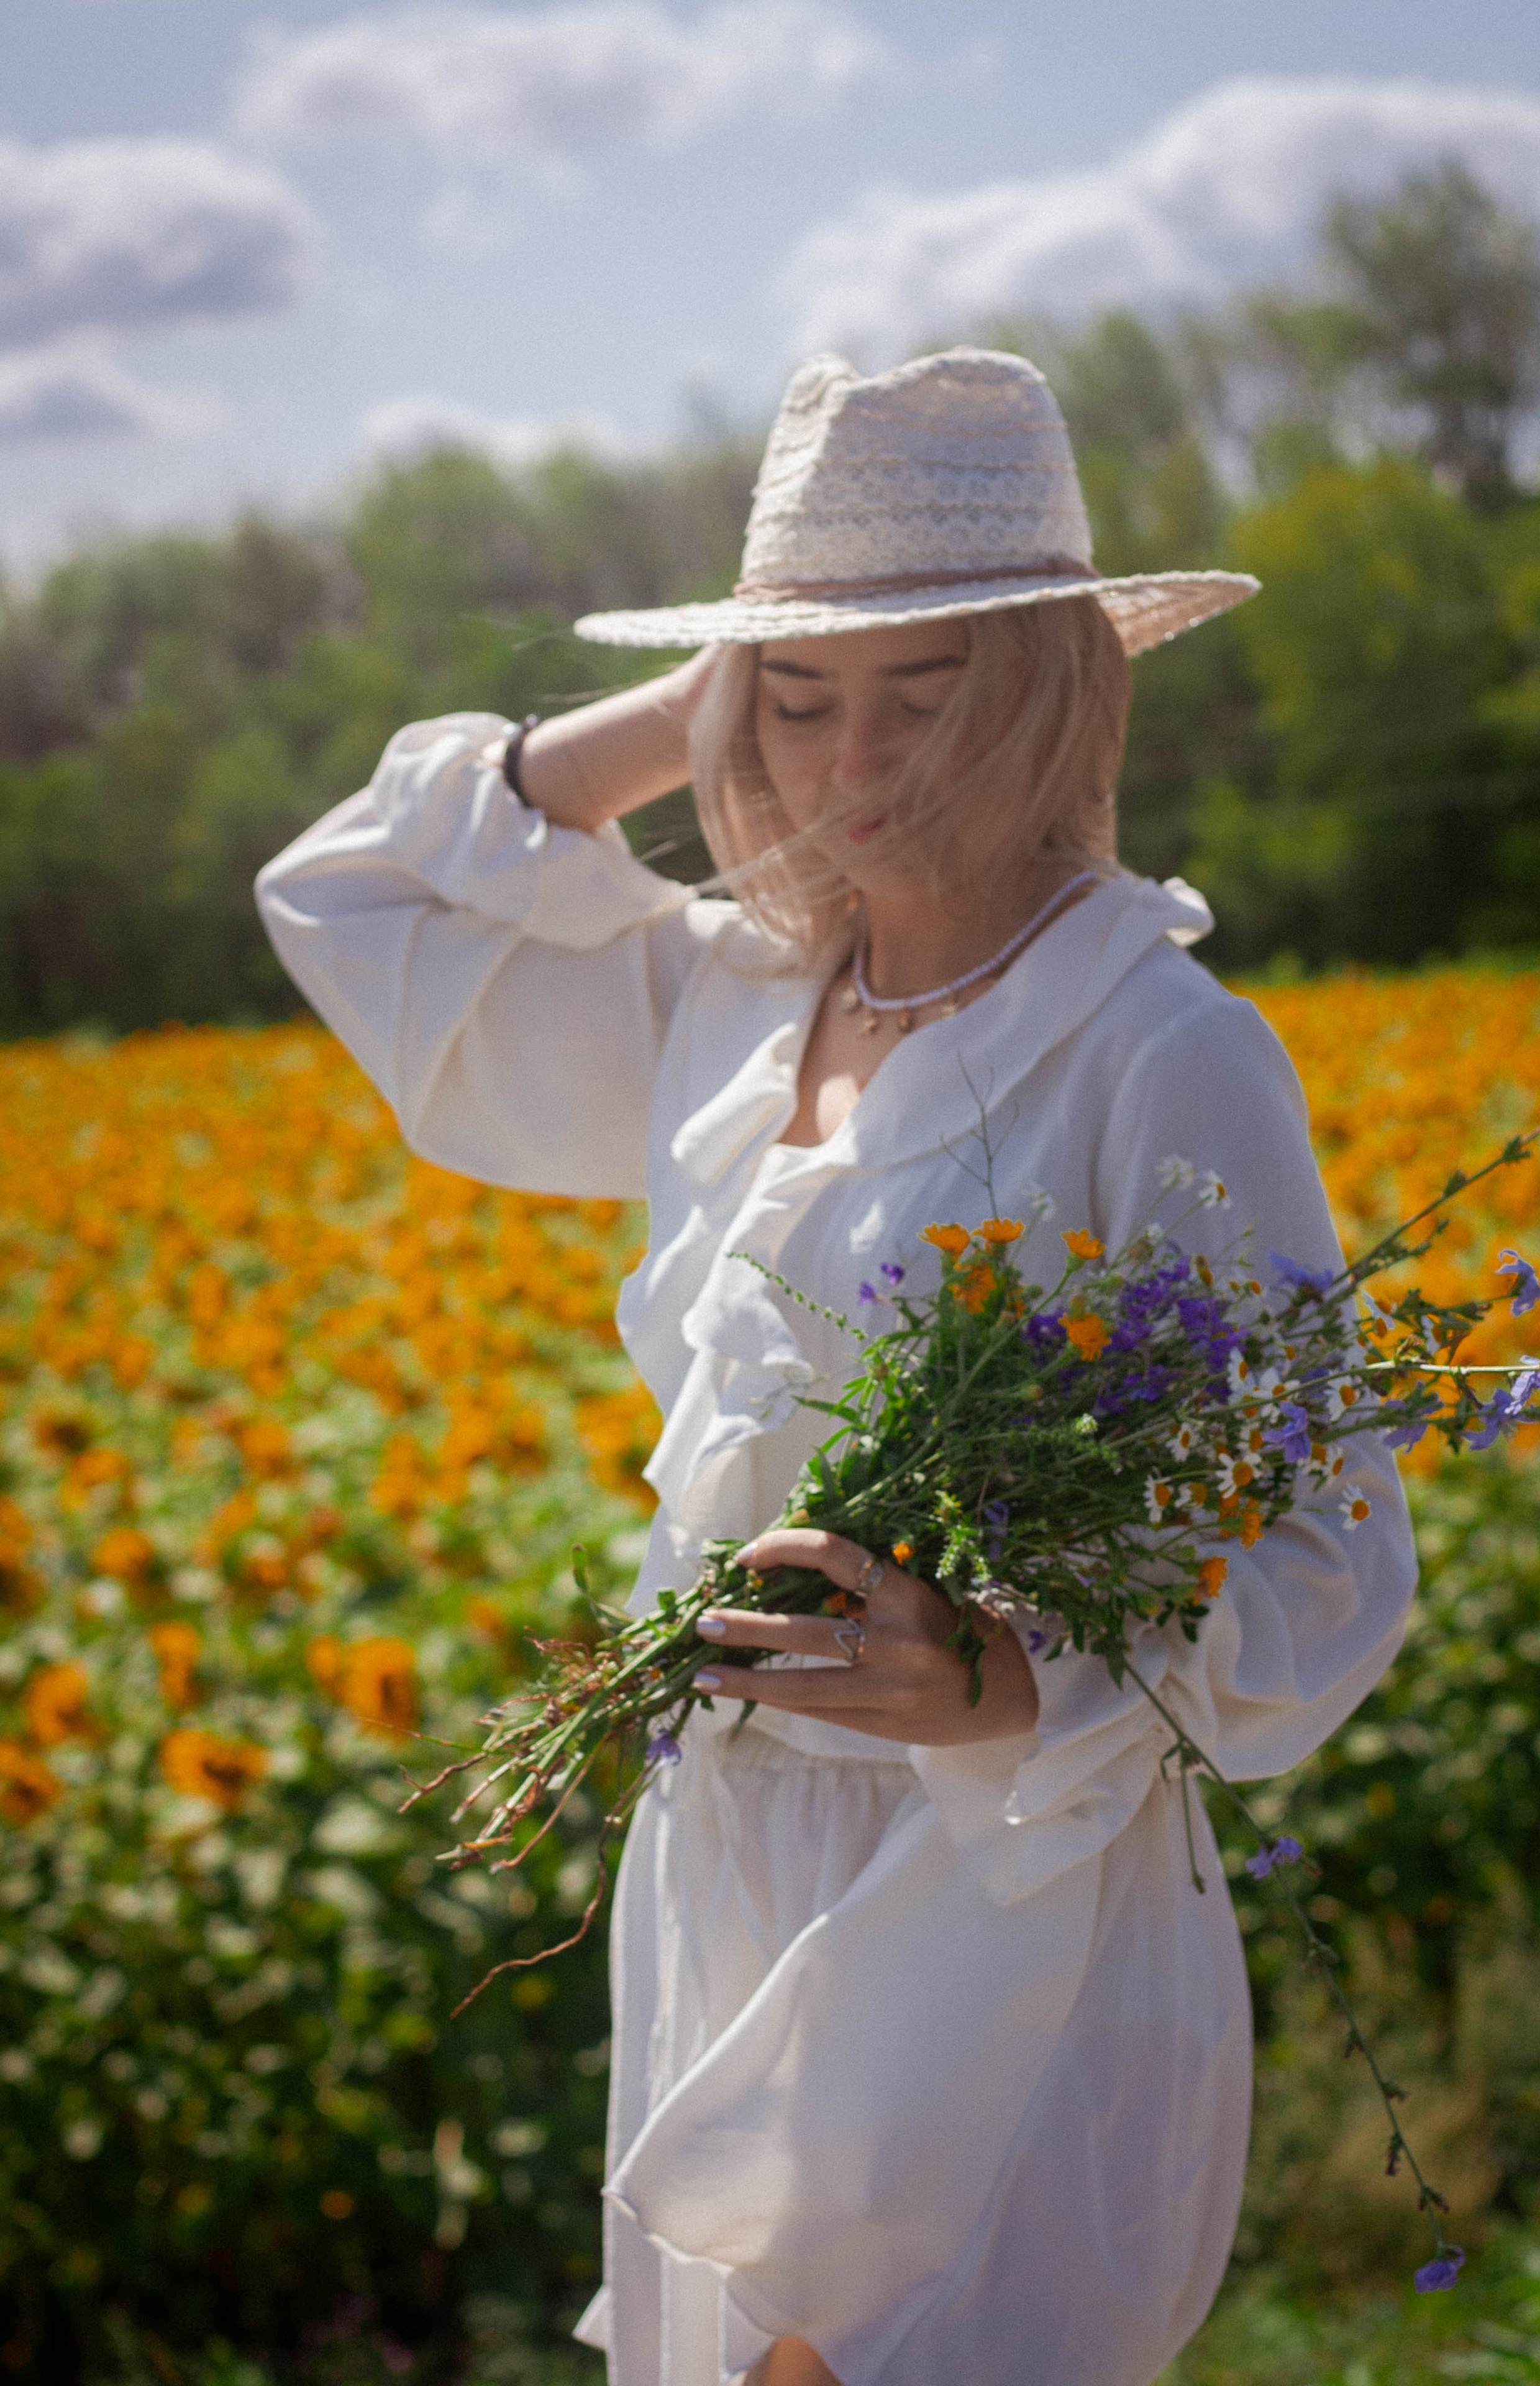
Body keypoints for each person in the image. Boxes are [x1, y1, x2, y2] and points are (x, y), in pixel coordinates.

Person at [257, 349, 1417, 2386]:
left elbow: (1332, 1556)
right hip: (721, 1863)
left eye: (931, 683)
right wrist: (713, 698)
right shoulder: (727, 1001)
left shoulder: (1161, 1047)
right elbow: (351, 896)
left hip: (996, 1891)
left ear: (1058, 683)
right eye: (806, 698)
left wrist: (1007, 1673)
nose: (854, 756)